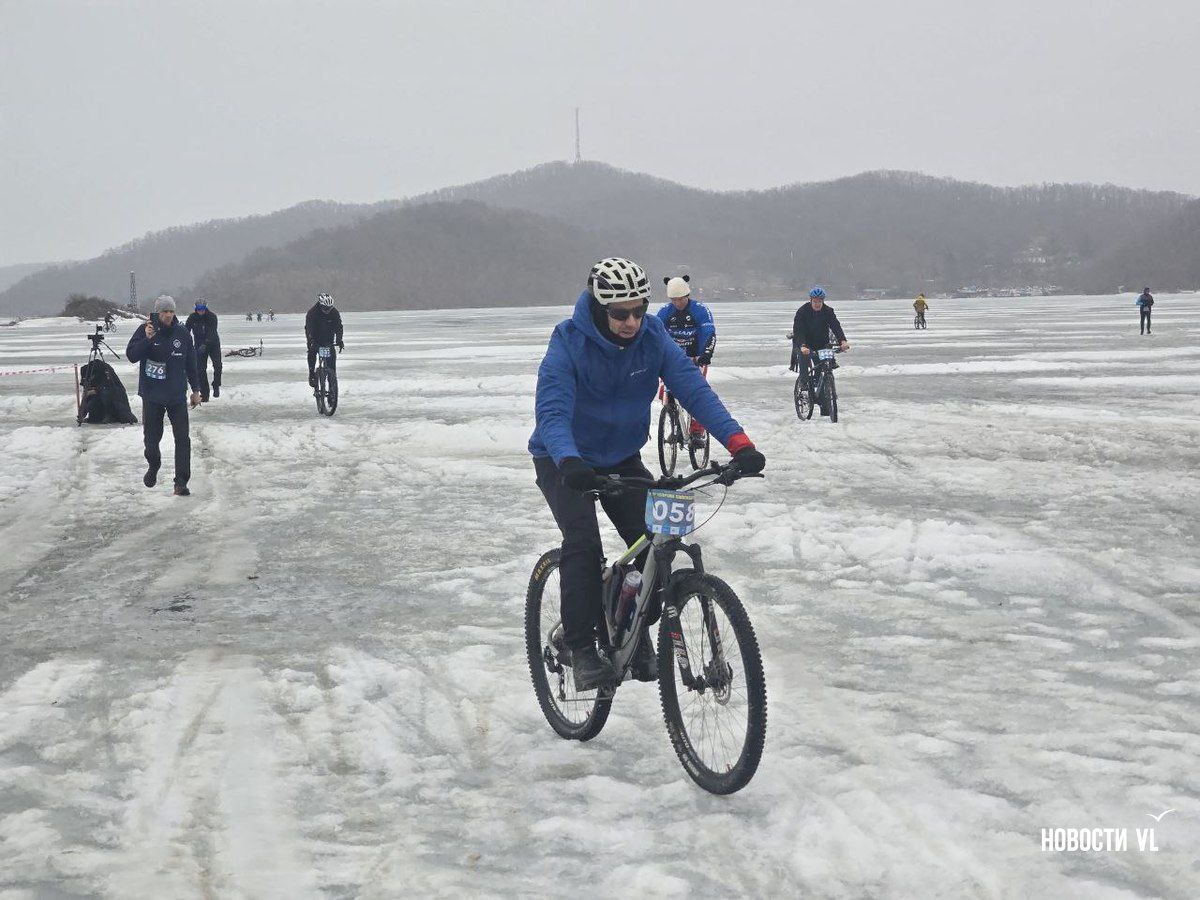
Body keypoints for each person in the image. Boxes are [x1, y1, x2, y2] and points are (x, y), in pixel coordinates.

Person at [530, 257, 766, 691]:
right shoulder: (568, 342)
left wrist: (739, 443)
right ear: (600, 309)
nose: (632, 321)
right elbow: (553, 409)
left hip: (621, 458)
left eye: (639, 310)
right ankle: (581, 648)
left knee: (651, 543)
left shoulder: (653, 336)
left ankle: (630, 631)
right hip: (564, 459)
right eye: (620, 313)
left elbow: (693, 389)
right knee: (582, 542)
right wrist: (568, 459)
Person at [125, 295, 201, 496]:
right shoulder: (145, 330)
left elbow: (191, 365)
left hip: (176, 395)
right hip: (152, 395)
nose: (168, 315)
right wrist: (147, 340)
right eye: (164, 311)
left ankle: (181, 482)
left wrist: (196, 390)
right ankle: (154, 465)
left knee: (182, 439)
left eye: (171, 311)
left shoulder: (183, 334)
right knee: (152, 439)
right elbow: (132, 355)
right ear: (157, 313)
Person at [656, 274, 717, 446]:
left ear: (687, 295)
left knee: (696, 393)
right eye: (673, 300)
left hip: (695, 357)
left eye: (680, 299)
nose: (677, 303)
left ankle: (697, 431)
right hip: (672, 358)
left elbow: (708, 333)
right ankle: (674, 423)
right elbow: (655, 335)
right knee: (667, 392)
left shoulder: (699, 310)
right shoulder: (665, 312)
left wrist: (706, 353)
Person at [791, 286, 850, 412]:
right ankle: (804, 383)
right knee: (804, 358)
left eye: (820, 301)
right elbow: (798, 330)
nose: (817, 304)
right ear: (811, 300)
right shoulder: (802, 311)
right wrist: (802, 345)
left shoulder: (828, 311)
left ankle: (825, 401)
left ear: (823, 301)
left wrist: (843, 341)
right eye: (815, 301)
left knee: (824, 367)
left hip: (822, 344)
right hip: (804, 344)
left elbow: (836, 326)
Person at [185, 299, 222, 401]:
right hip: (199, 345)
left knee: (218, 366)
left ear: (206, 308)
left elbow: (212, 332)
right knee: (200, 371)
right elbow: (186, 330)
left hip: (213, 344)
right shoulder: (192, 317)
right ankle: (205, 394)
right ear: (195, 308)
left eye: (202, 309)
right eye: (198, 309)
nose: (200, 311)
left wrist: (205, 344)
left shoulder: (212, 317)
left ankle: (216, 384)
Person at [305, 292, 344, 387]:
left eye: (330, 308)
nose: (328, 311)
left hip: (328, 339)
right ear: (320, 305)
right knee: (312, 352)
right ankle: (312, 374)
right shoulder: (312, 313)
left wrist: (339, 339)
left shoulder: (334, 312)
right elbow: (309, 329)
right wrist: (311, 340)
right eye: (326, 308)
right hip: (315, 338)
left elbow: (338, 327)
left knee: (331, 362)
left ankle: (332, 384)